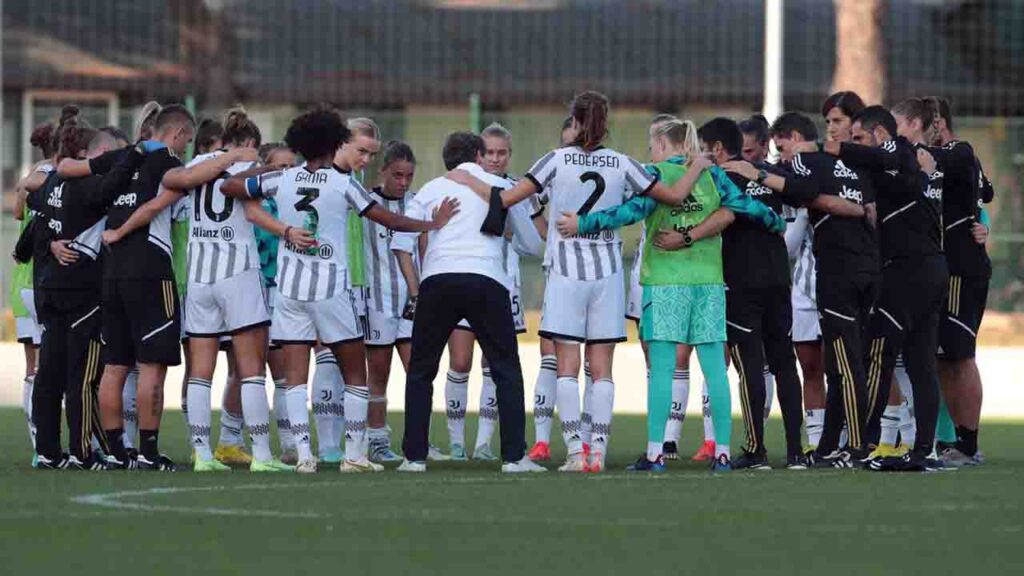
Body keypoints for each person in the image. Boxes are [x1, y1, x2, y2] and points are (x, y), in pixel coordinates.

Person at [449, 91, 709, 472]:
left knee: (566, 365)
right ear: (606, 124)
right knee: (602, 367)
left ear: (574, 119)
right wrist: (697, 167)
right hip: (607, 274)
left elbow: (506, 198)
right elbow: (671, 196)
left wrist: (470, 181)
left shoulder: (556, 159)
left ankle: (575, 452)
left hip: (566, 274)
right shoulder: (622, 163)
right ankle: (598, 452)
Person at [222, 106, 457, 473]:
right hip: (331, 289)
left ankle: (303, 456)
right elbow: (388, 217)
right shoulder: (344, 183)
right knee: (355, 375)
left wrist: (268, 170)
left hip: (289, 291)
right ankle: (354, 455)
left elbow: (229, 186)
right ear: (335, 143)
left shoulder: (281, 179)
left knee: (295, 378)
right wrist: (432, 222)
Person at [557, 117, 787, 472]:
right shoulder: (713, 174)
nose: (651, 150)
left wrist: (583, 223)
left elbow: (629, 212)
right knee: (715, 370)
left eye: (653, 143)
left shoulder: (656, 173)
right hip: (709, 282)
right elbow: (747, 206)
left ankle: (655, 453)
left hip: (665, 282)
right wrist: (775, 222)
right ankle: (722, 452)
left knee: (663, 369)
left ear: (664, 143)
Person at [724, 111, 876, 468]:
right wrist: (854, 209)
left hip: (825, 272)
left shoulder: (800, 165)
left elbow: (805, 193)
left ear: (793, 138)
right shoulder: (843, 165)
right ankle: (813, 448)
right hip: (850, 269)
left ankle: (853, 447)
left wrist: (758, 174)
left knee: (841, 363)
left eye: (781, 147)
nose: (781, 156)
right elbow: (859, 205)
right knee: (828, 363)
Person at [395, 132, 544, 474]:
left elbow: (402, 241)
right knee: (505, 368)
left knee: (421, 370)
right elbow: (532, 246)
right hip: (486, 280)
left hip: (437, 280)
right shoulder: (501, 187)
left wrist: (417, 290)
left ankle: (414, 457)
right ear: (479, 155)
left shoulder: (431, 189)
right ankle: (513, 457)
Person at [814, 103, 948, 471]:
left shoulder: (897, 151)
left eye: (860, 136)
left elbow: (878, 158)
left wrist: (825, 147)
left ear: (882, 135)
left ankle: (864, 445)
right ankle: (925, 450)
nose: (855, 144)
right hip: (930, 269)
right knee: (921, 364)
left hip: (908, 271)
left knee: (877, 354)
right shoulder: (909, 167)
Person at [443, 122, 544, 461]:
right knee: (459, 360)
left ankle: (483, 442)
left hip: (503, 284)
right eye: (489, 152)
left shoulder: (517, 189)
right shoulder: (460, 184)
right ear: (478, 154)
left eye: (502, 153)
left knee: (494, 365)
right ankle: (456, 441)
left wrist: (516, 236)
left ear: (510, 155)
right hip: (463, 279)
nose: (496, 159)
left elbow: (532, 242)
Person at [31, 124, 125, 470]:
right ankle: (82, 453)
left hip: (52, 288)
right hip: (83, 291)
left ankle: (47, 451)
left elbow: (34, 205)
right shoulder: (88, 185)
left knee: (49, 373)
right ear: (90, 153)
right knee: (82, 377)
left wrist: (51, 242)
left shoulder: (54, 181)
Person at [927, 96, 994, 466]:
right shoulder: (942, 159)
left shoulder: (958, 152)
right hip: (941, 266)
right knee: (944, 358)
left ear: (937, 122)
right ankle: (955, 440)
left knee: (960, 354)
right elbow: (983, 193)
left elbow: (983, 195)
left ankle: (968, 443)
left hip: (959, 269)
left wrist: (982, 226)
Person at [363, 141, 418, 463]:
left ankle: (416, 440)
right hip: (378, 301)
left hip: (411, 302)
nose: (403, 182)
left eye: (409, 176)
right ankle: (377, 439)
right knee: (378, 375)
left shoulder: (416, 204)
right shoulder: (365, 203)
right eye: (397, 175)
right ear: (382, 171)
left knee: (418, 372)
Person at [10, 121, 56, 462]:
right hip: (45, 280)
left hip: (22, 281)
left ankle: (38, 447)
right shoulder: (60, 176)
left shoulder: (32, 177)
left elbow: (17, 213)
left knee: (33, 368)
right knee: (52, 367)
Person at [256, 142, 301, 463]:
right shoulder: (256, 205)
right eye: (278, 168)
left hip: (288, 292)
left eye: (291, 168)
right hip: (259, 293)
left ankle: (288, 443)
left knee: (284, 373)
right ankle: (236, 439)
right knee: (246, 372)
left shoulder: (298, 202)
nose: (285, 174)